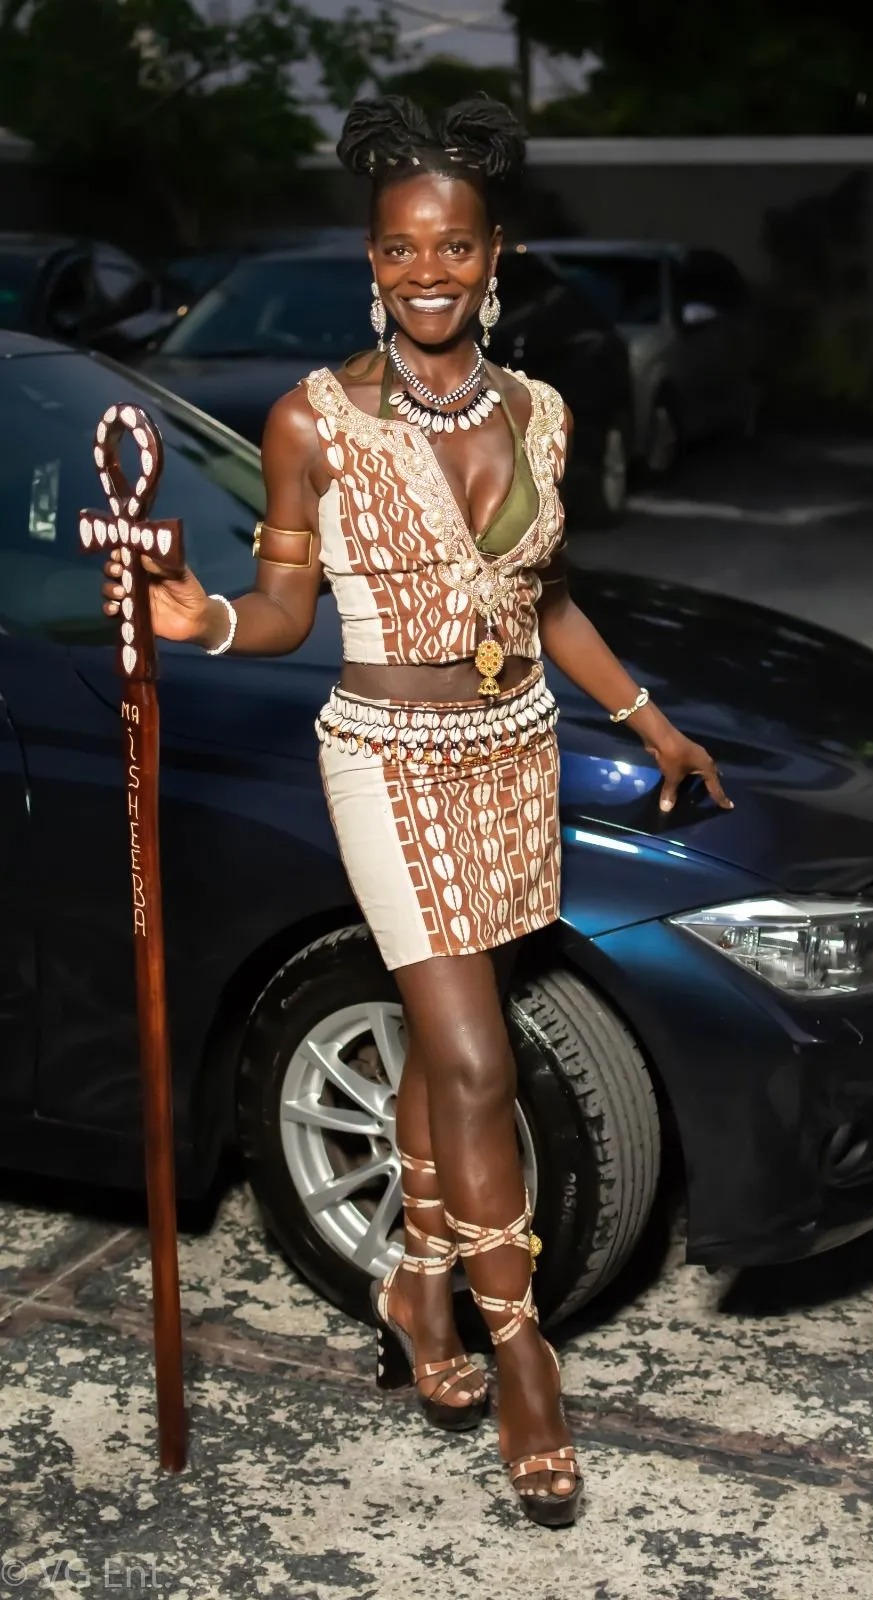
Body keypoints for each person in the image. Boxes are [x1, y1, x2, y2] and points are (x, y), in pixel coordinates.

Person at [101, 93, 732, 1528]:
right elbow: (280, 609)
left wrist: (647, 719)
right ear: (370, 261)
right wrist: (202, 623)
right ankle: (524, 1352)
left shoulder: (544, 414)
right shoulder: (312, 423)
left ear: (491, 253)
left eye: (452, 244)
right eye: (399, 248)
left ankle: (412, 1277)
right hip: (385, 754)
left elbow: (545, 597)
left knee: (453, 1063)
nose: (426, 270)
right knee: (477, 1057)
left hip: (517, 751)